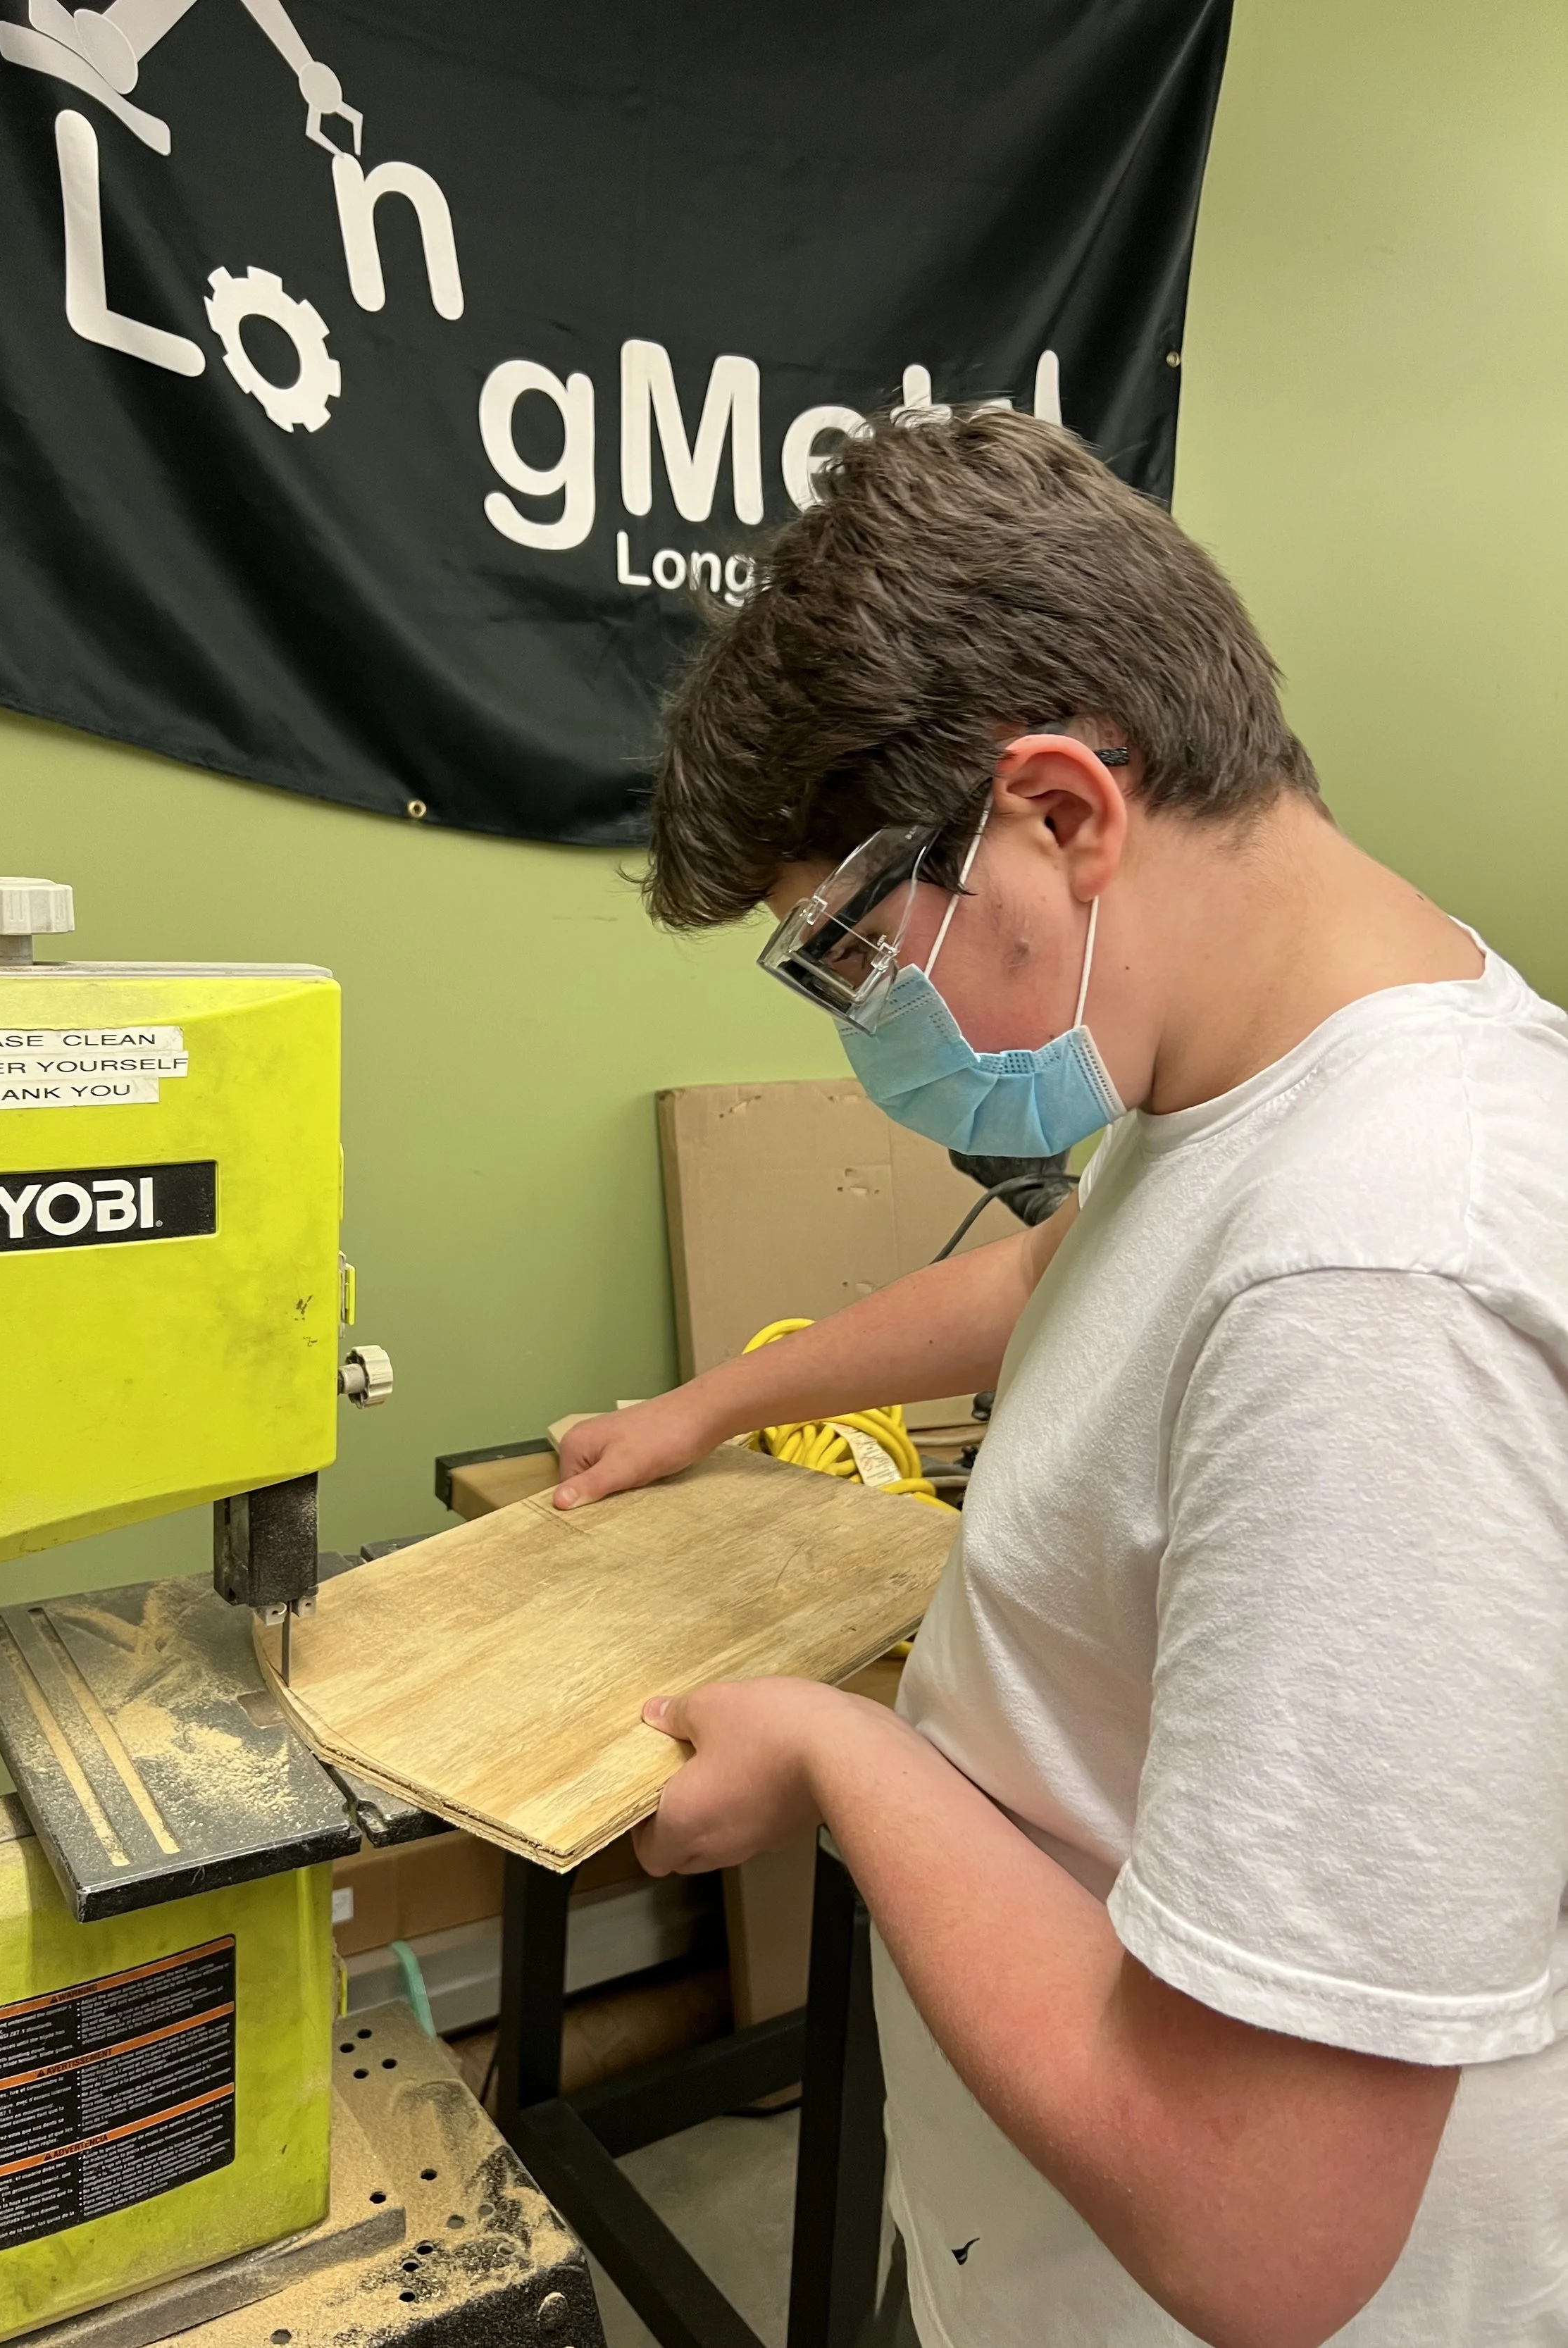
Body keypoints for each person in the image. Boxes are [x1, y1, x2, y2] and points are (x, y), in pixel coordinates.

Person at [554, 409, 1568, 2348]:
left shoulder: (1372, 1284)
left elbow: (1258, 2226)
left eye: (852, 940)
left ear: (1062, 811)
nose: (870, 1018)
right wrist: (709, 1407)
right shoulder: (1263, 1060)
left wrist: (843, 1753)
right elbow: (1061, 1268)